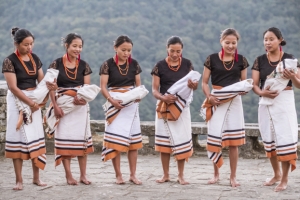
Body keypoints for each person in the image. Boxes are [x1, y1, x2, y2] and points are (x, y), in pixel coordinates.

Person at [2, 27, 57, 190]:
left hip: (34, 99)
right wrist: (31, 104)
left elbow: (41, 81)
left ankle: (36, 178)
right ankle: (19, 180)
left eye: (31, 44)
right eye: (26, 44)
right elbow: (13, 87)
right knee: (18, 139)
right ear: (16, 43)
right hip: (18, 102)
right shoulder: (9, 61)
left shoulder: (35, 59)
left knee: (36, 138)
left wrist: (51, 85)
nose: (29, 47)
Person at [252, 27, 300, 192]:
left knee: (285, 139)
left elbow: (299, 84)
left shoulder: (290, 60)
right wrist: (262, 92)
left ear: (280, 40)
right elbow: (255, 86)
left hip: (284, 103)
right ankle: (276, 174)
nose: (268, 42)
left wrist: (292, 76)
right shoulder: (259, 60)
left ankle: (285, 178)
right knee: (269, 139)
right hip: (266, 103)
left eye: (271, 39)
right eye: (265, 39)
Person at [201, 28, 249, 187]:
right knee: (215, 137)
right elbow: (204, 82)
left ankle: (233, 176)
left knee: (233, 142)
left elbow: (244, 84)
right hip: (215, 99)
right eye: (227, 42)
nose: (230, 45)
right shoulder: (212, 59)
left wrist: (241, 91)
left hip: (234, 102)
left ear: (237, 43)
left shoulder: (241, 60)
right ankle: (216, 174)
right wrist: (210, 97)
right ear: (221, 42)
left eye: (233, 43)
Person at [151, 36, 199, 185]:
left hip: (182, 107)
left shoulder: (187, 64)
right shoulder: (159, 66)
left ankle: (181, 175)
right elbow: (154, 90)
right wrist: (163, 98)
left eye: (178, 51)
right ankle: (165, 175)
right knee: (164, 142)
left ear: (181, 50)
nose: (175, 54)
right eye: (172, 50)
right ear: (167, 49)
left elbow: (194, 86)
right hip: (164, 106)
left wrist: (193, 86)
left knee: (182, 139)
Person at [48, 33, 94, 185]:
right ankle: (68, 175)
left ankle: (83, 175)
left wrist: (81, 97)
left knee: (83, 142)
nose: (77, 49)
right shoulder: (56, 64)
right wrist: (55, 106)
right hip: (63, 106)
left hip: (80, 106)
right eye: (74, 46)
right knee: (64, 142)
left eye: (80, 46)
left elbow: (87, 88)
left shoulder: (84, 66)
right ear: (66, 45)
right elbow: (51, 88)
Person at [100, 35, 143, 185]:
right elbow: (103, 87)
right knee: (115, 140)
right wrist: (111, 100)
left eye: (129, 50)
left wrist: (138, 95)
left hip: (130, 104)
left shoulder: (134, 64)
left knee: (133, 142)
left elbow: (138, 84)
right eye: (123, 50)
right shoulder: (107, 64)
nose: (126, 53)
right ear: (115, 48)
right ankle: (118, 175)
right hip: (114, 101)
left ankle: (133, 174)